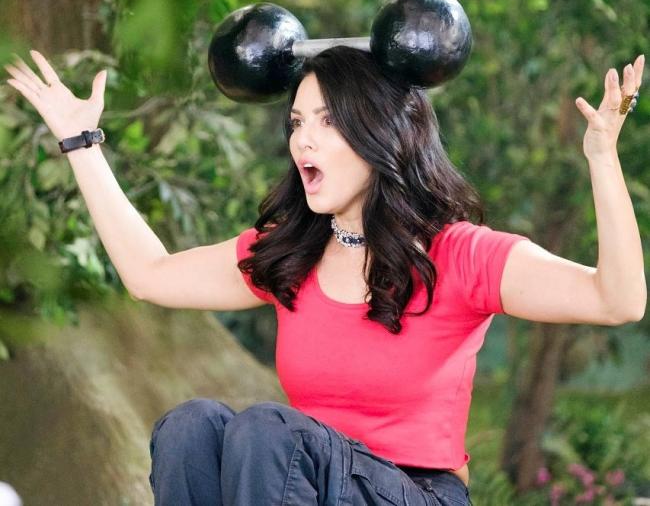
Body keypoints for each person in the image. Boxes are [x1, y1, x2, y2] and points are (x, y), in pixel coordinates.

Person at [3, 46, 646, 506]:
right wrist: (81, 142)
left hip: (418, 491)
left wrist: (601, 158)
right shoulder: (291, 254)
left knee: (267, 431)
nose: (302, 141)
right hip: (299, 480)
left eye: (328, 121)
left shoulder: (459, 255)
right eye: (296, 122)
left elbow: (617, 300)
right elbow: (150, 275)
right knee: (191, 426)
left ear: (380, 133)